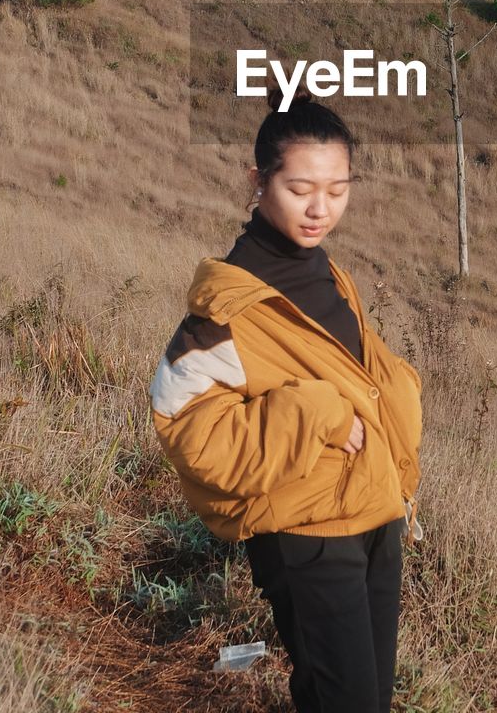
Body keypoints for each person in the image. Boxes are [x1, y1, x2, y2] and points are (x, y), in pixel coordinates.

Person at [149, 83, 423, 713]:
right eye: (299, 190)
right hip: (306, 531)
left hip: (375, 512)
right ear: (258, 179)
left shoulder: (329, 273)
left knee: (363, 699)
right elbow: (184, 423)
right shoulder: (229, 302)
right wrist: (316, 415)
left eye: (337, 190)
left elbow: (361, 372)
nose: (319, 209)